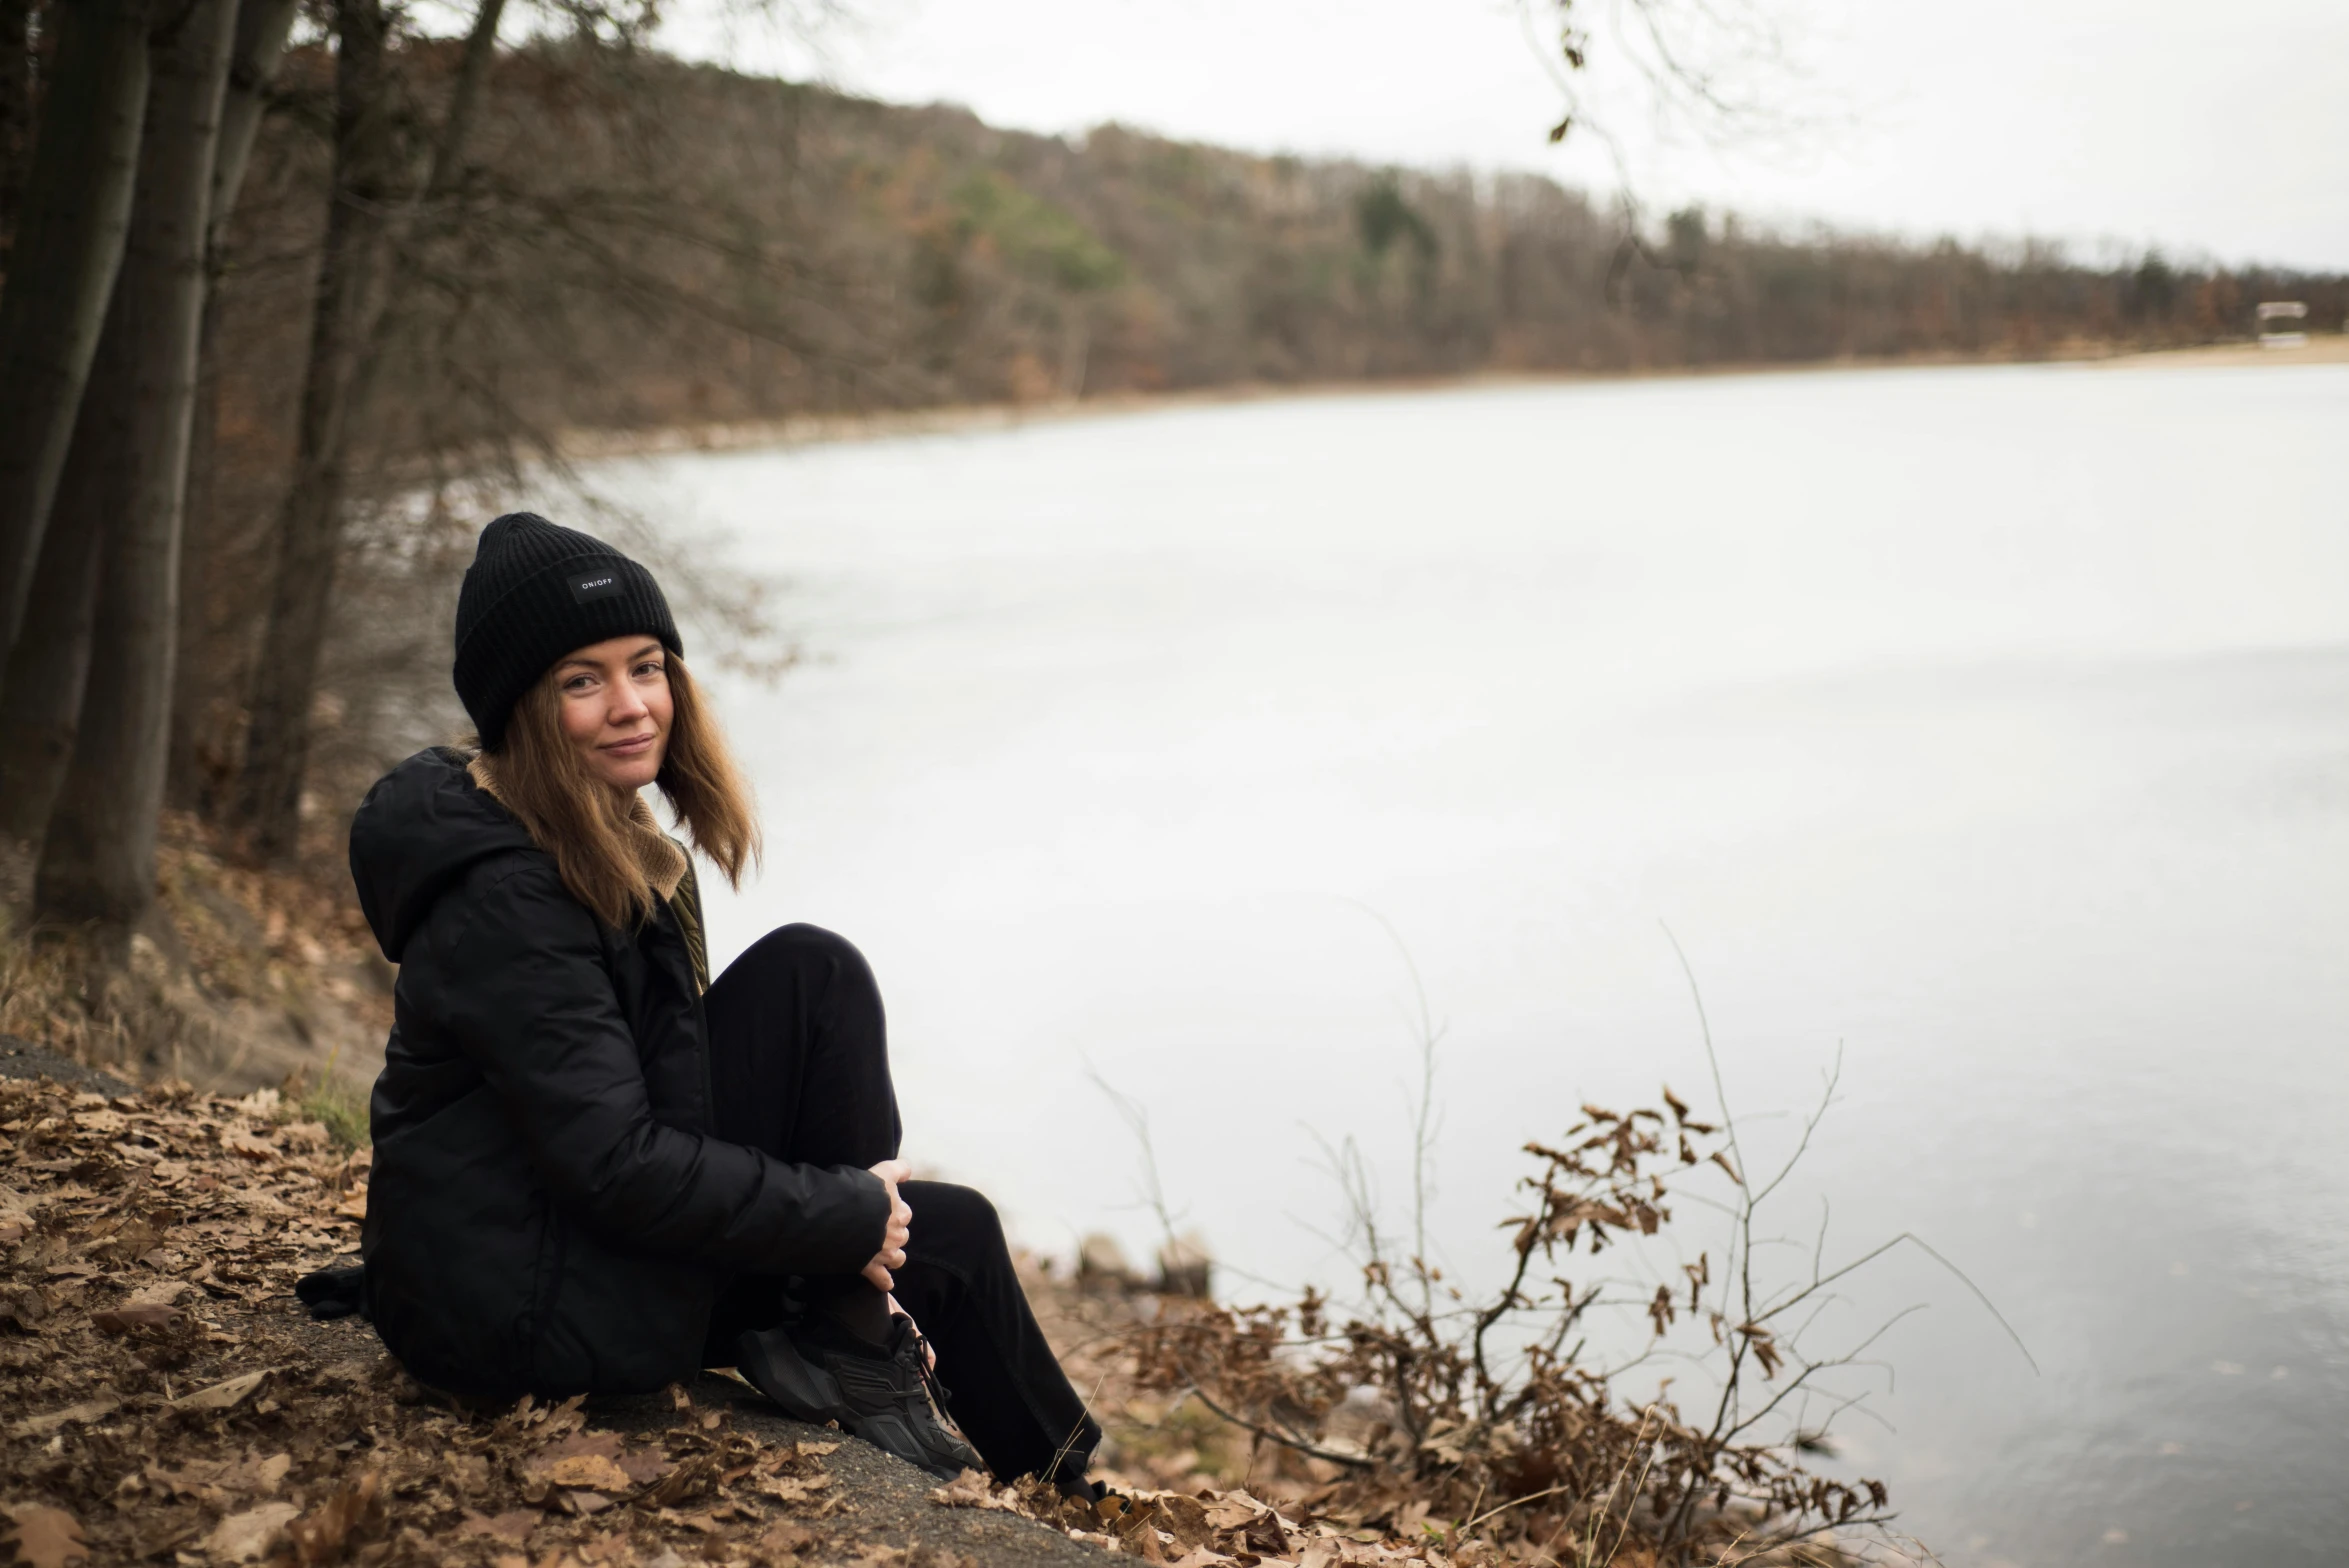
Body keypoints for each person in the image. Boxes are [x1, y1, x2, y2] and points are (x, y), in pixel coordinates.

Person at [345, 511, 1101, 1488]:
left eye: (647, 665)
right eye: (584, 680)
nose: (631, 704)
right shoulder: (506, 898)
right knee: (892, 1212)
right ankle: (853, 1334)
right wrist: (841, 1212)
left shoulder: (597, 829)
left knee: (921, 1177)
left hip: (560, 1238)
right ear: (520, 707)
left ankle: (1064, 1486)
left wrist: (848, 1218)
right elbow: (614, 1163)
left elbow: (646, 1096)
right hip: (520, 1304)